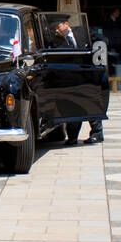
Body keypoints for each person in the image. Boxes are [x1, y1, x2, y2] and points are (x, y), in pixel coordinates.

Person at [48, 16, 105, 145]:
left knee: (91, 104)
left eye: (58, 27)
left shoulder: (83, 32)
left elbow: (101, 40)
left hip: (88, 75)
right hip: (71, 78)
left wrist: (98, 55)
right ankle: (72, 137)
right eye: (55, 28)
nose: (56, 30)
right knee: (73, 105)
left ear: (66, 24)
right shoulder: (55, 42)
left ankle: (97, 133)